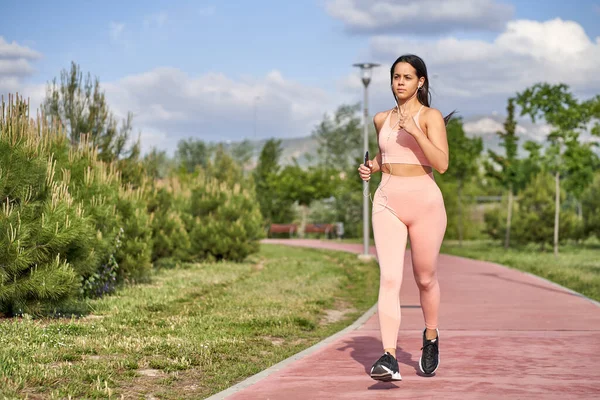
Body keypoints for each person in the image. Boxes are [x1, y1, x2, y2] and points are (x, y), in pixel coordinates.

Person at [357, 54, 452, 381]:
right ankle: (389, 356)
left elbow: (441, 164)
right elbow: (388, 157)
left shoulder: (430, 117)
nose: (400, 82)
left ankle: (430, 334)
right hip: (387, 200)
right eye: (396, 76)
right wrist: (372, 167)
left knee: (425, 278)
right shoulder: (382, 119)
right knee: (389, 278)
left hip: (425, 202)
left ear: (420, 82)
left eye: (407, 77)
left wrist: (415, 129)